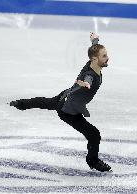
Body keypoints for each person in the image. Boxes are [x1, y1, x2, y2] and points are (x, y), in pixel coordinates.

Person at [9, 32, 111, 172]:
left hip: (65, 96)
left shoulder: (92, 62)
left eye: (106, 54)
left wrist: (95, 40)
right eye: (104, 56)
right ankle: (92, 161)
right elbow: (88, 80)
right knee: (94, 134)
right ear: (95, 59)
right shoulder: (90, 75)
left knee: (45, 102)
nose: (107, 57)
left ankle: (20, 104)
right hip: (68, 111)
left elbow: (95, 49)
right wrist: (85, 84)